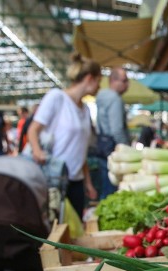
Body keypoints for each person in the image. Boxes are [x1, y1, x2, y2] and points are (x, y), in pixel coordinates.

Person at [27, 53, 100, 218]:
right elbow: (33, 129)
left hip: (76, 181)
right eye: (99, 82)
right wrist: (37, 151)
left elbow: (81, 150)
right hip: (53, 180)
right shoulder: (56, 97)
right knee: (53, 230)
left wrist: (88, 182)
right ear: (90, 79)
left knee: (73, 231)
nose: (99, 87)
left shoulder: (85, 109)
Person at [94, 67, 130, 198]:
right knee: (111, 189)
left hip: (101, 146)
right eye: (125, 80)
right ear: (114, 80)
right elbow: (116, 129)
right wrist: (126, 149)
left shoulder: (102, 96)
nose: (127, 85)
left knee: (104, 186)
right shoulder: (115, 99)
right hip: (112, 149)